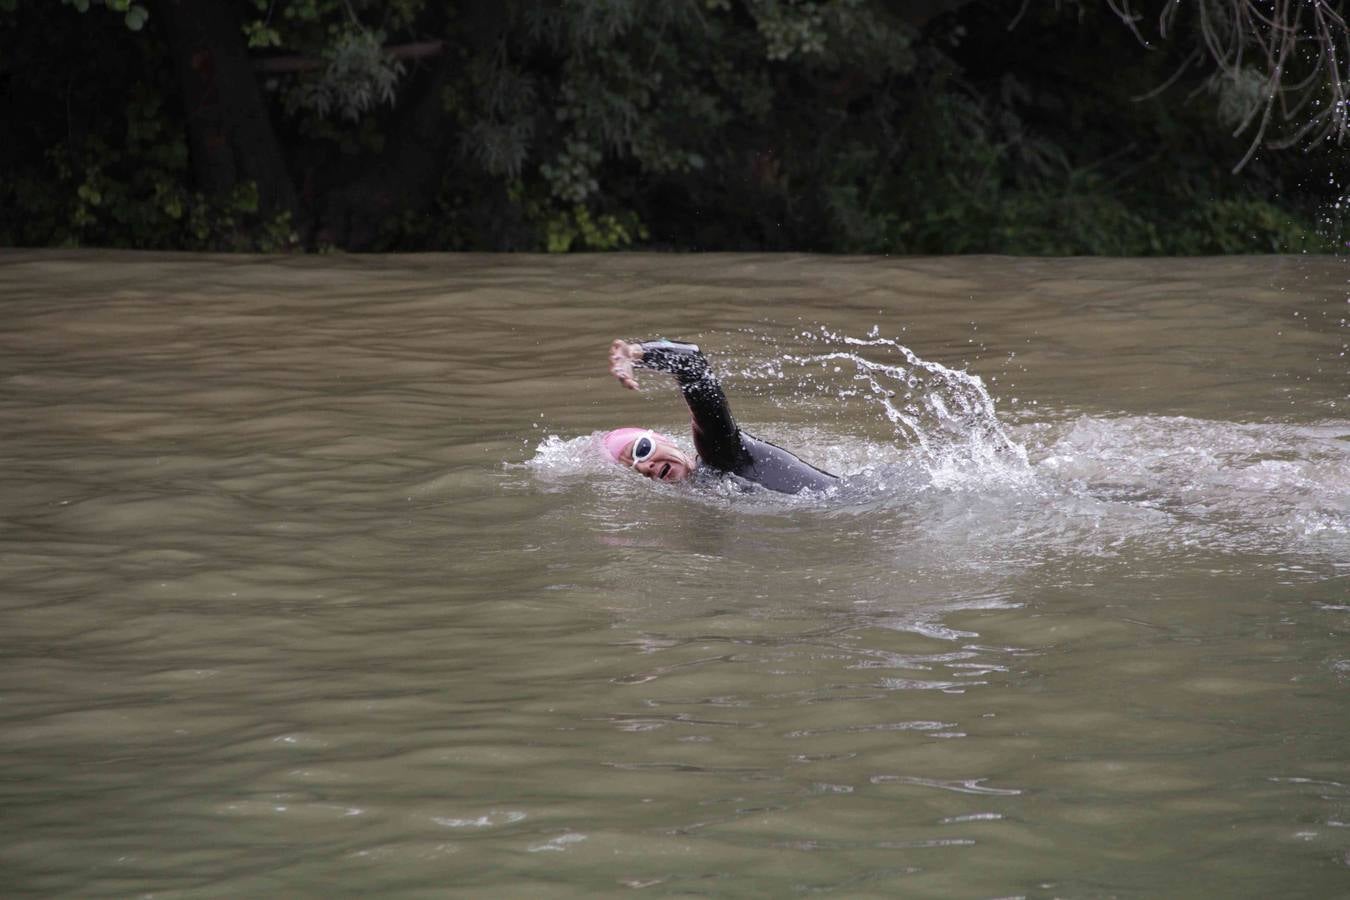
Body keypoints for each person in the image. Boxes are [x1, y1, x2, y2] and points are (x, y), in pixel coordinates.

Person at [604, 338, 837, 494]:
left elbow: (692, 364)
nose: (644, 467)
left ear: (664, 440)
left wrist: (637, 354)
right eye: (633, 471)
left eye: (642, 450)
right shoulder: (708, 488)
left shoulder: (720, 454)